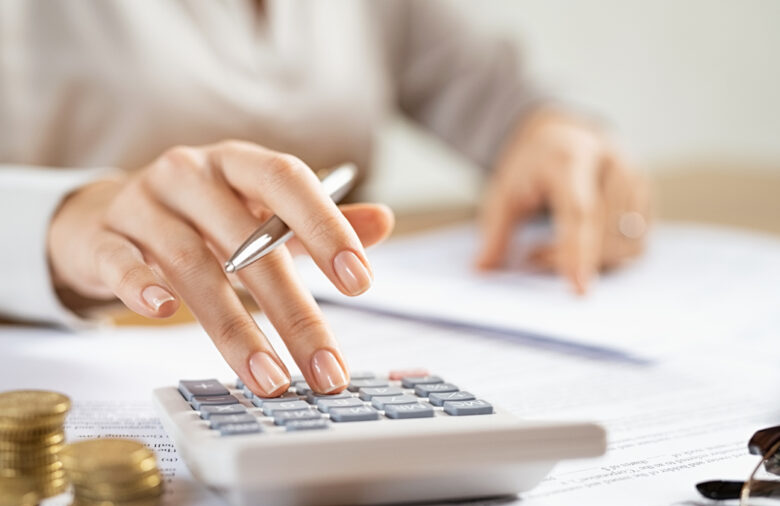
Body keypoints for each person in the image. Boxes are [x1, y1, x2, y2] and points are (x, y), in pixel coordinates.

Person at [0, 0, 649, 397]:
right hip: (109, 330)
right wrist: (59, 219)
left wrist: (557, 136)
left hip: (365, 333)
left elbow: (505, 96)